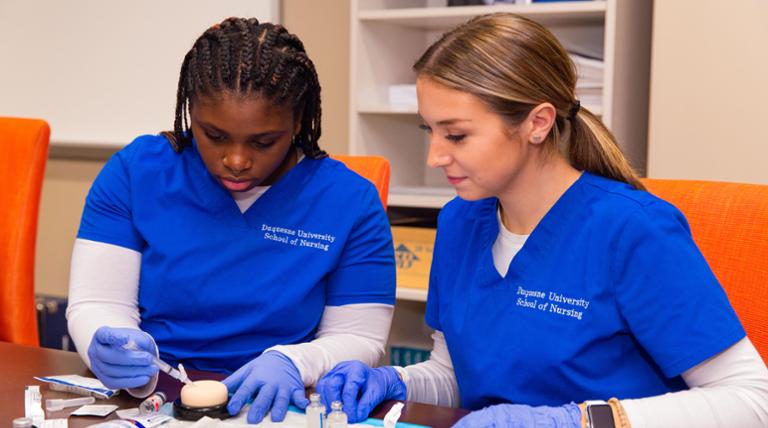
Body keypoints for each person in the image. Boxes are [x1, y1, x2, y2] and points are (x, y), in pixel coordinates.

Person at [315, 13, 768, 428]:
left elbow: (751, 399)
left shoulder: (632, 230)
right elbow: (454, 375)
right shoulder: (459, 222)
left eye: (456, 134)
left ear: (537, 123)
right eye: (428, 131)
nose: (434, 156)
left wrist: (575, 422)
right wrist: (397, 381)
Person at [66, 17, 396, 424]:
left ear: (297, 122)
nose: (236, 161)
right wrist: (106, 341)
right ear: (190, 111)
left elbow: (360, 337)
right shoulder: (136, 173)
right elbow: (99, 303)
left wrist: (294, 360)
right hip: (155, 398)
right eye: (214, 136)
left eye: (263, 142)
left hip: (283, 404)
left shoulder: (350, 200)